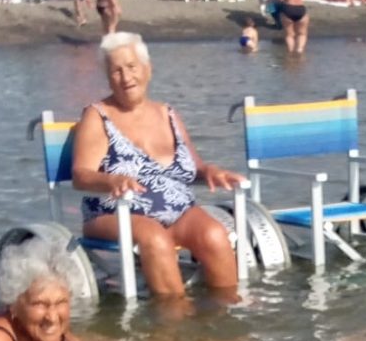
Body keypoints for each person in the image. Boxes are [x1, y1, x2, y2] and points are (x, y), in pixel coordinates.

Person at [71, 32, 244, 300]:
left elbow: (192, 167)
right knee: (155, 238)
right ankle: (174, 323)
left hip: (176, 210)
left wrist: (208, 171)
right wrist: (112, 180)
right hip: (115, 211)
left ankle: (229, 314)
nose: (126, 77)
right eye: (116, 71)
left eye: (131, 67)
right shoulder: (97, 116)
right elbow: (81, 175)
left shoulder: (168, 113)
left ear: (148, 69)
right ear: (108, 77)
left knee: (214, 234)